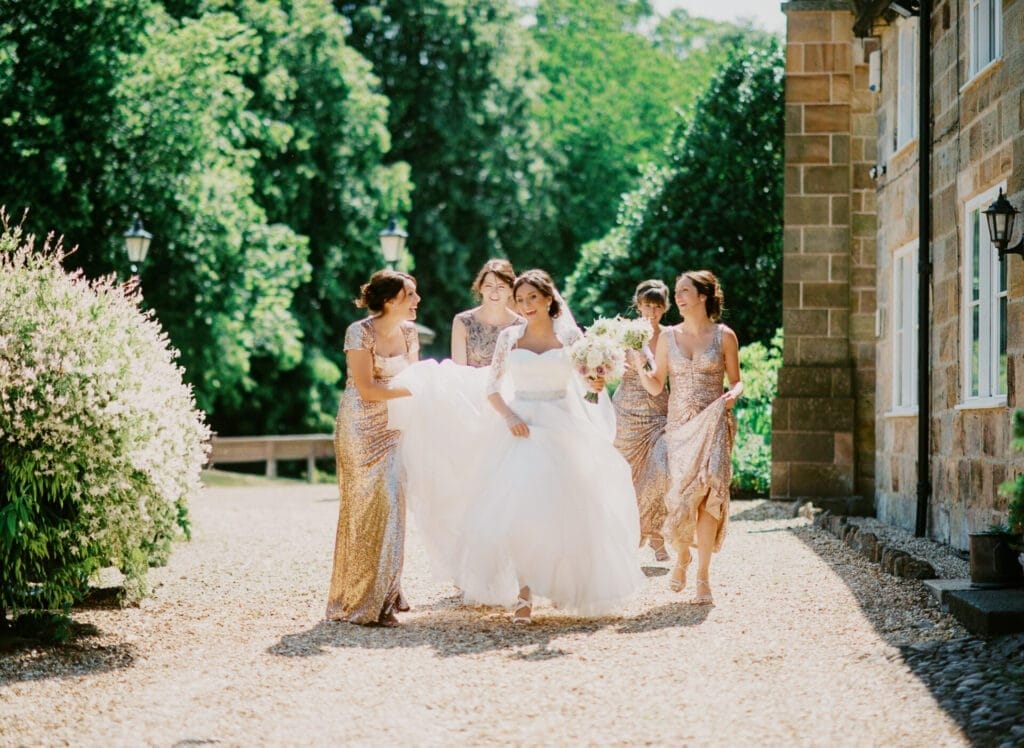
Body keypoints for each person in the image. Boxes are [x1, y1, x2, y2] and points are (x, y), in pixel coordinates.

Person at [390, 270, 645, 624]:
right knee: (520, 512)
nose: (525, 306)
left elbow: (589, 386)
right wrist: (509, 417)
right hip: (520, 428)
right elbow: (492, 388)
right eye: (521, 300)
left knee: (565, 510)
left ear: (548, 300)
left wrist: (598, 379)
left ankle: (562, 584)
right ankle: (524, 593)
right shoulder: (510, 338)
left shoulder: (570, 337)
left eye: (532, 299)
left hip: (562, 425)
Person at [632, 270, 742, 605]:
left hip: (714, 425)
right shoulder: (667, 338)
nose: (678, 297)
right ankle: (682, 557)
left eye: (684, 291)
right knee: (679, 499)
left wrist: (732, 395)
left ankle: (704, 577)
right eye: (677, 292)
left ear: (703, 296)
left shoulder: (724, 336)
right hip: (679, 428)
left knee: (709, 496)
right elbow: (655, 384)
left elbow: (737, 380)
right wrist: (638, 359)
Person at [326, 269, 420, 627]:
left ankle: (386, 595)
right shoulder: (359, 331)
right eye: (410, 294)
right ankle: (355, 597)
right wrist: (415, 390)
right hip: (359, 427)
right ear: (391, 300)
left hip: (395, 427)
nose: (417, 300)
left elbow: (413, 376)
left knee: (394, 502)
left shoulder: (410, 333)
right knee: (362, 509)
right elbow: (366, 388)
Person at [613, 280, 671, 562]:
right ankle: (625, 536)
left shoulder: (670, 337)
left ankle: (654, 531)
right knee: (626, 475)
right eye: (647, 305)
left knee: (661, 469)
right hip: (626, 411)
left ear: (665, 308)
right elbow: (609, 366)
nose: (652, 311)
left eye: (658, 306)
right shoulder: (623, 333)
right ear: (638, 305)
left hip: (660, 411)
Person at [450, 258, 522, 367]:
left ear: (510, 291)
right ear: (480, 288)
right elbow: (459, 371)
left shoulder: (521, 326)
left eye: (501, 287)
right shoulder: (462, 322)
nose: (494, 292)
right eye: (489, 286)